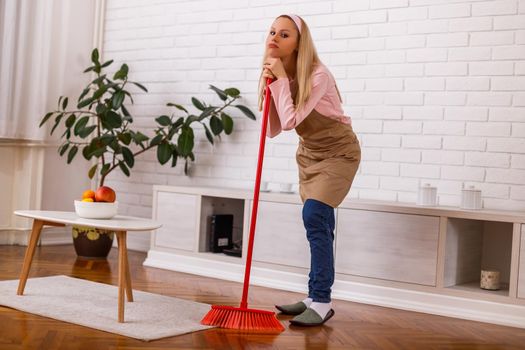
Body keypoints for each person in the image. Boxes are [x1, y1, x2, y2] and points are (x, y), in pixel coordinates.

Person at [259, 14, 361, 326]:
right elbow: (274, 129)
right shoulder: (282, 75)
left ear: (300, 43)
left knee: (315, 216)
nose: (276, 37)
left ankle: (322, 299)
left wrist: (279, 86)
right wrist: (270, 90)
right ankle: (313, 296)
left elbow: (292, 121)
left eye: (285, 34)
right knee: (318, 223)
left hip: (338, 152)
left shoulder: (318, 76)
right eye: (273, 31)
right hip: (310, 154)